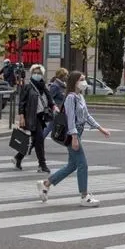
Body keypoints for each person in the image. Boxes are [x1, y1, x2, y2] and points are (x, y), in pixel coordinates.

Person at [36, 71, 111, 206]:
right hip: (72, 134)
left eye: (84, 79)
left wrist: (100, 128)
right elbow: (70, 119)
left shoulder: (80, 97)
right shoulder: (70, 97)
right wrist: (74, 138)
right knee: (82, 164)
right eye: (81, 79)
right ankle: (84, 196)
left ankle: (46, 184)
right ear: (74, 82)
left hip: (78, 132)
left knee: (72, 165)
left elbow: (87, 116)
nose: (84, 82)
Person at [14, 64, 53, 173]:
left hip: (40, 117)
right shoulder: (27, 87)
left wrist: (54, 107)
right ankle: (42, 164)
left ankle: (18, 157)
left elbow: (49, 100)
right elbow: (21, 103)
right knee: (39, 140)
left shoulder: (44, 87)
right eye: (35, 73)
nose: (37, 75)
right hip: (30, 116)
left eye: (39, 73)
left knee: (35, 141)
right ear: (31, 74)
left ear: (42, 75)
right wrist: (21, 117)